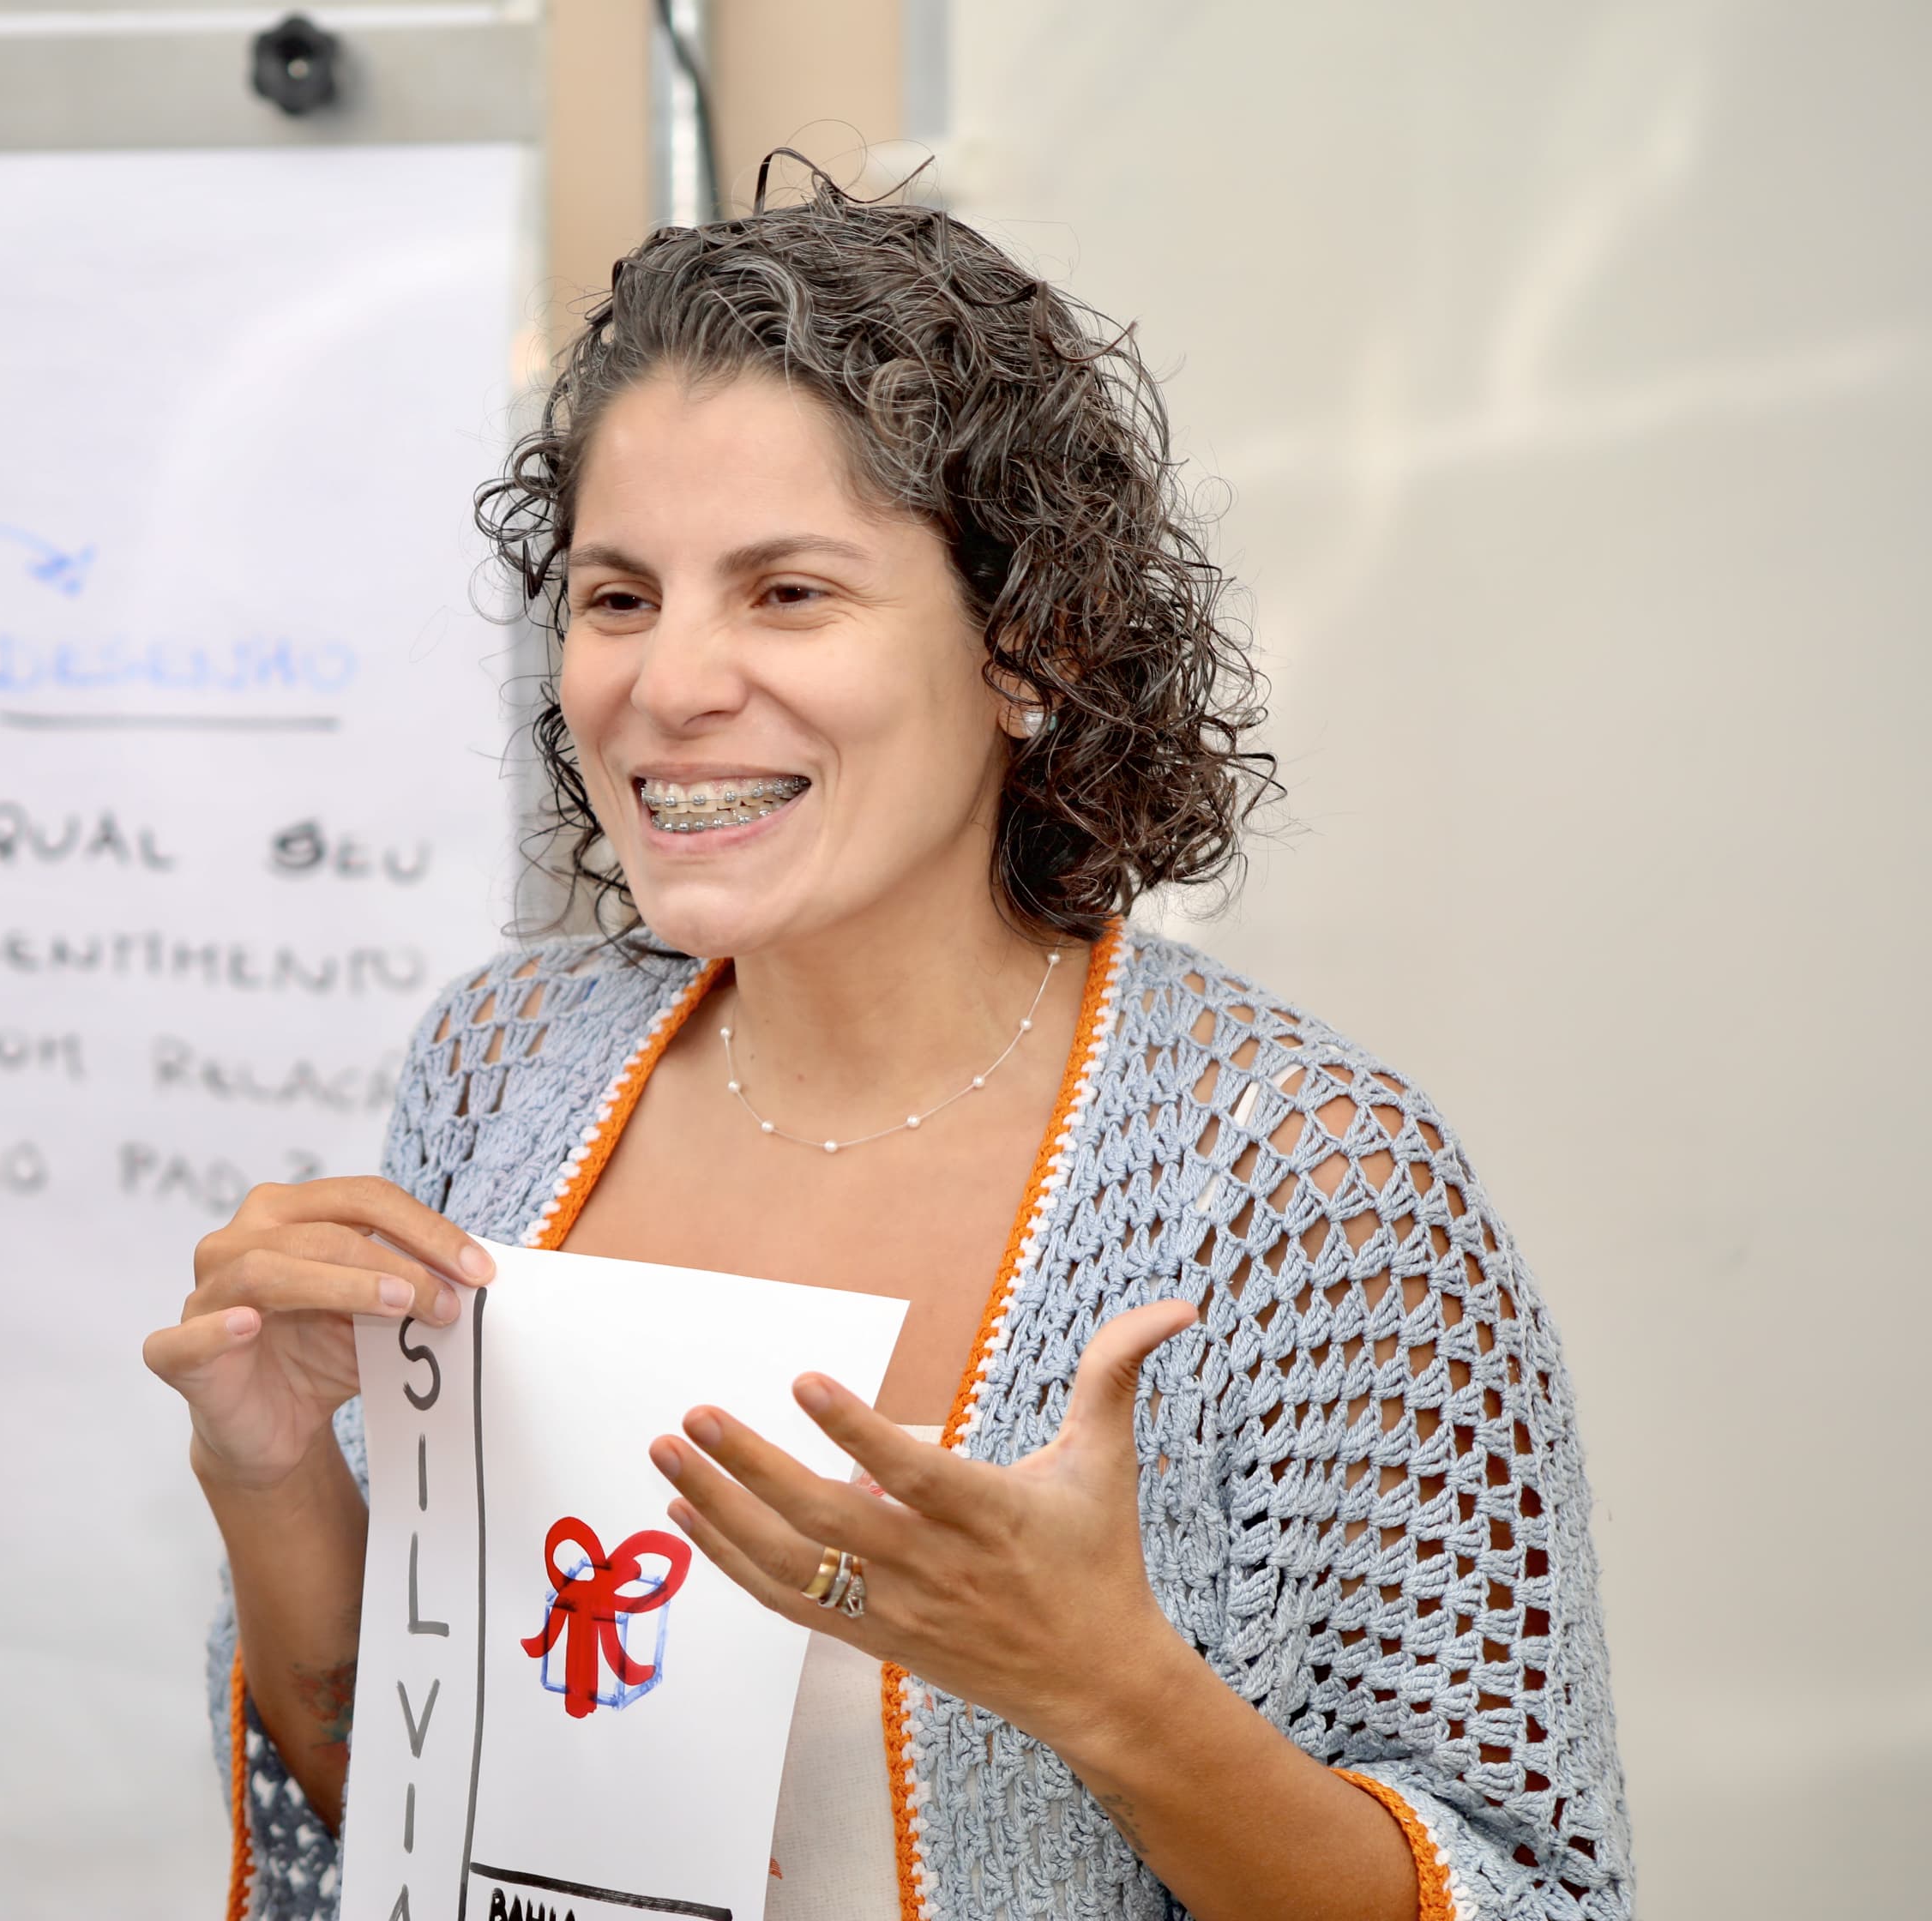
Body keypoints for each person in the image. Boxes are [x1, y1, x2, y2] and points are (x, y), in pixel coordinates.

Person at [143, 165, 1631, 1921]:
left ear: (1031, 646)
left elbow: (1530, 1897)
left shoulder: (1304, 1185)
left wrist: (1106, 1687)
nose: (669, 684)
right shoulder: (504, 1063)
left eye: (787, 593)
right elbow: (414, 1803)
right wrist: (267, 1467)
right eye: (618, 598)